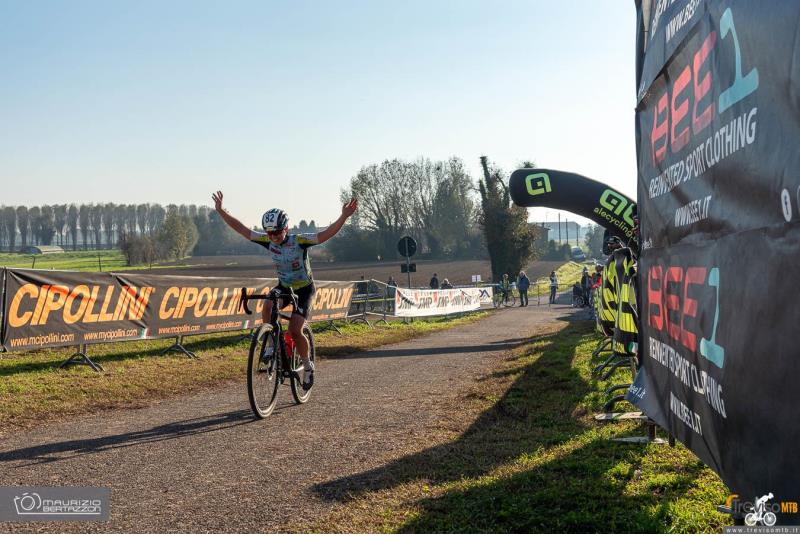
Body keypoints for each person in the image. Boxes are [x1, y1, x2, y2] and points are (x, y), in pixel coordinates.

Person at [211, 191, 357, 390]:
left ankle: (307, 366)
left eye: (277, 233)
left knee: (295, 331)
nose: (273, 237)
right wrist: (221, 211)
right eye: (269, 233)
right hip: (284, 287)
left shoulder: (299, 241)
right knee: (268, 304)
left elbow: (325, 235)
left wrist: (343, 217)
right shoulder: (268, 241)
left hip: (304, 290)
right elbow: (242, 230)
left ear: (286, 229)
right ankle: (271, 344)